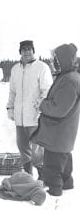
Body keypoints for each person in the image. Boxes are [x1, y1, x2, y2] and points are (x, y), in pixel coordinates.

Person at [32, 43, 80, 196]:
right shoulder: (68, 77)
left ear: (64, 60)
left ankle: (54, 196)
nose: (53, 62)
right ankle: (66, 188)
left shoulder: (70, 80)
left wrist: (42, 104)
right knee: (64, 167)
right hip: (62, 135)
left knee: (52, 169)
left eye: (56, 59)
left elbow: (59, 109)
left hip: (58, 135)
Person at [6, 40, 53, 179]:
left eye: (29, 49)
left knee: (37, 149)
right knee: (22, 146)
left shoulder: (42, 67)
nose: (27, 52)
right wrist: (10, 107)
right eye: (24, 49)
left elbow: (47, 91)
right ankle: (28, 175)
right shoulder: (15, 69)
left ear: (34, 50)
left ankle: (42, 175)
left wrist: (41, 109)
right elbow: (12, 91)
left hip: (35, 116)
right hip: (20, 118)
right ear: (20, 51)